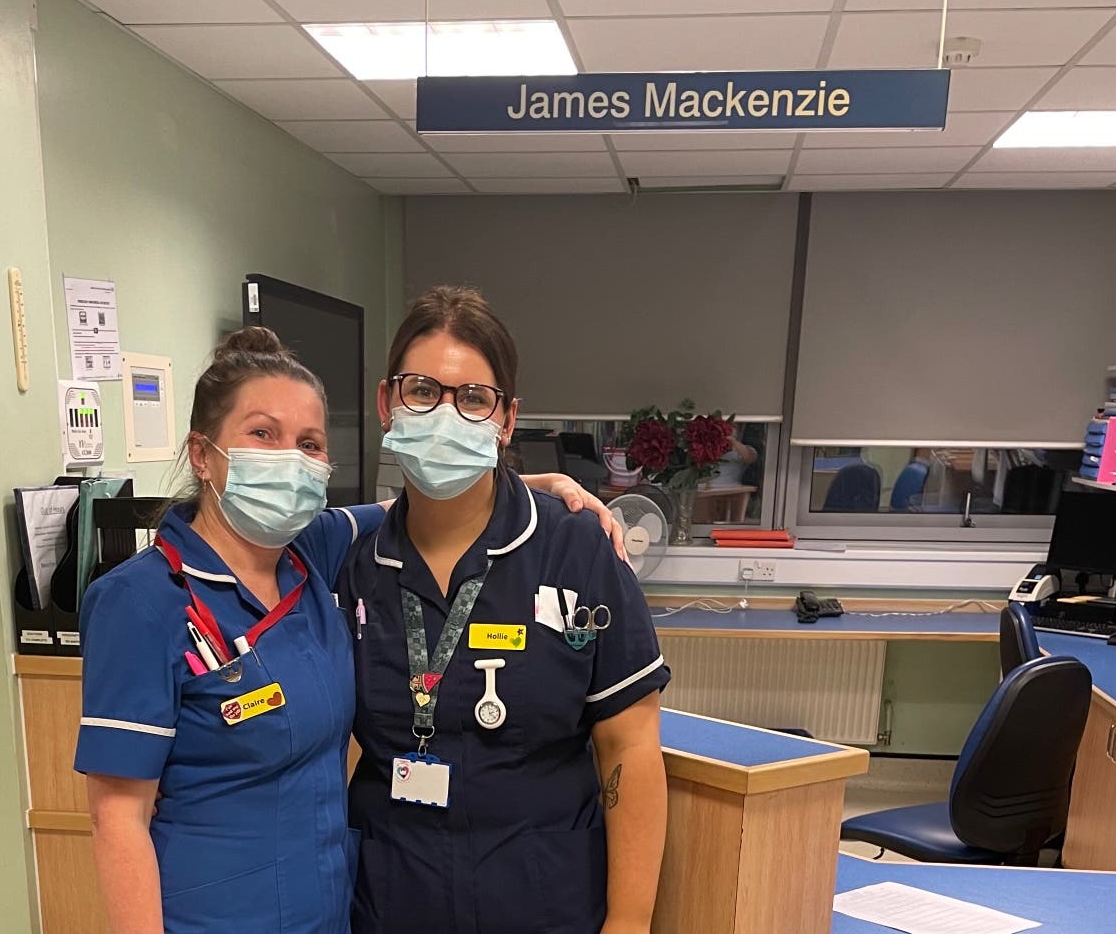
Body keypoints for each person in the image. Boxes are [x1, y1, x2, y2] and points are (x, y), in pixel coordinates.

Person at [74, 326, 618, 934]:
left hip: (332, 911)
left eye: (308, 444)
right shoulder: (140, 602)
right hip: (210, 916)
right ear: (202, 454)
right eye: (262, 434)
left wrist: (535, 486)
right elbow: (117, 818)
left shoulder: (312, 553)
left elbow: (418, 506)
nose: (288, 460)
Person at [343, 287, 671, 934]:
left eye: (472, 398)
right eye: (421, 391)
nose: (444, 414)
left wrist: (629, 924)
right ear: (387, 404)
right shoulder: (354, 568)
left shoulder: (578, 550)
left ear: (507, 420)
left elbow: (629, 746)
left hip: (545, 905)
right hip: (392, 907)